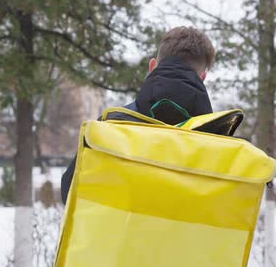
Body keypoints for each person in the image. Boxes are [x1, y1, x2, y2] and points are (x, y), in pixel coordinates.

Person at [60, 26, 216, 204]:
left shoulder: (110, 127)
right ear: (202, 77)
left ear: (152, 66)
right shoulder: (219, 142)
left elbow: (70, 194)